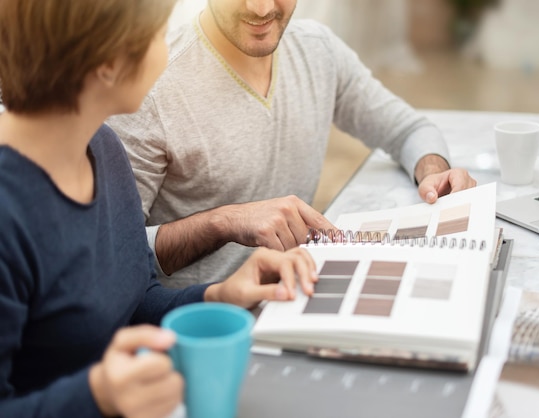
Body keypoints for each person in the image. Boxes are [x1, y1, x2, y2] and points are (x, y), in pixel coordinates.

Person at [0, 1, 318, 417]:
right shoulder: (9, 214)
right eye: (157, 32)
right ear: (108, 64)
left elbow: (134, 301)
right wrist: (98, 395)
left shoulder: (104, 149)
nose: (168, 43)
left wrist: (218, 296)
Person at [107, 0, 477, 289]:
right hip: (205, 325)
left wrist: (434, 173)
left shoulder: (317, 50)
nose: (262, 9)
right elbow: (112, 255)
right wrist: (223, 222)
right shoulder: (151, 86)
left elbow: (406, 128)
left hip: (297, 289)